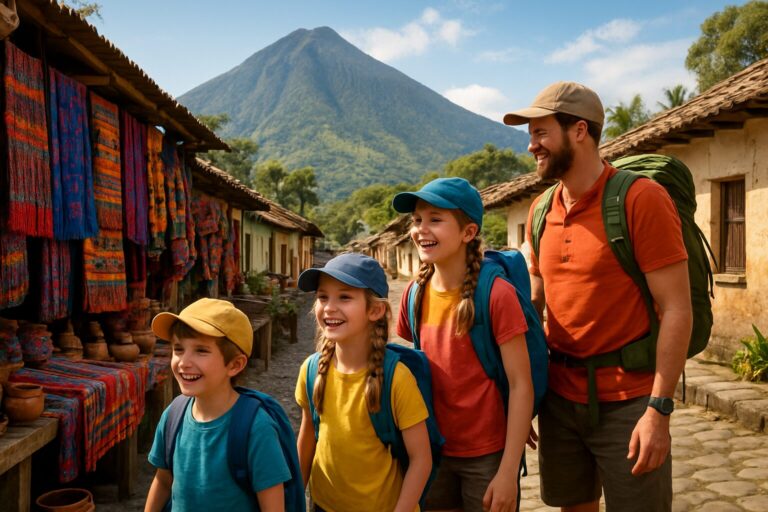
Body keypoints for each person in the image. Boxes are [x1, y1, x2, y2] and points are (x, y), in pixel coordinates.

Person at [503, 81, 692, 511]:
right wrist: (522, 396)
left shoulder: (641, 200)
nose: (532, 145)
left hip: (629, 403)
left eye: (541, 132)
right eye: (530, 135)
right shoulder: (541, 209)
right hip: (560, 401)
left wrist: (659, 410)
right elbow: (535, 305)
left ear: (580, 131)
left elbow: (677, 308)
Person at [392, 177, 533, 512]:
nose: (421, 230)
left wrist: (508, 470)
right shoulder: (414, 294)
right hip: (433, 451)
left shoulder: (497, 295)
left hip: (486, 455)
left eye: (435, 220)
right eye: (417, 220)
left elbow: (520, 384)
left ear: (468, 233)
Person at [294, 252, 432, 512]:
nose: (329, 307)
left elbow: (421, 459)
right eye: (323, 297)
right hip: (323, 506)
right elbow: (307, 439)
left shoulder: (397, 379)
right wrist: (293, 501)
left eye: (344, 297)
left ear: (375, 310)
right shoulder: (311, 370)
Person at [145, 298, 290, 512]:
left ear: (234, 364)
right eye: (178, 349)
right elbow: (164, 481)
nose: (184, 362)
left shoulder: (256, 429)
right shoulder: (173, 415)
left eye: (201, 351)